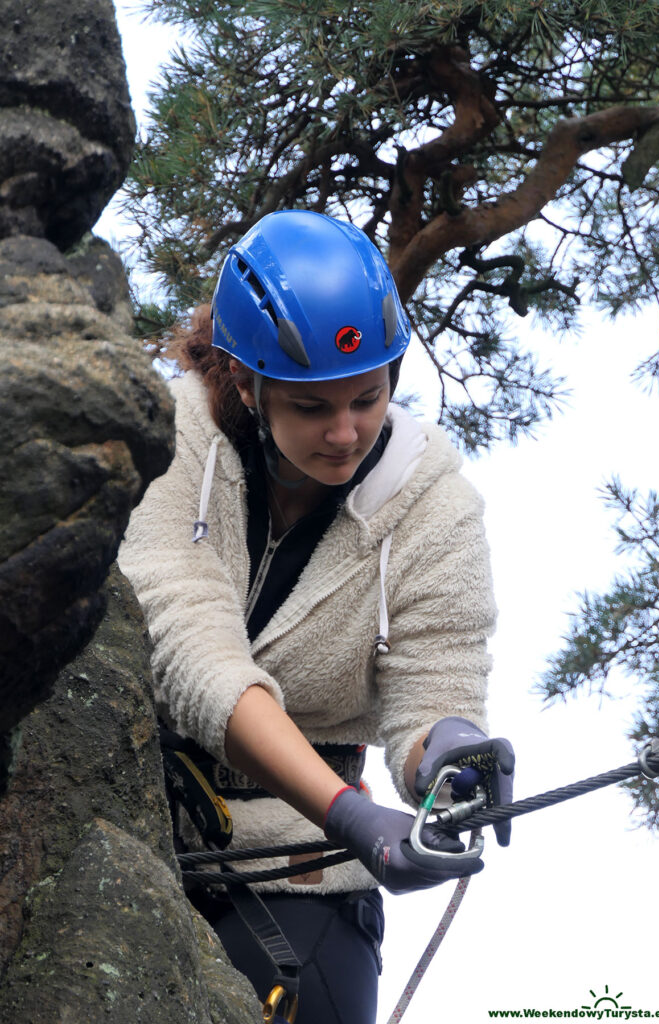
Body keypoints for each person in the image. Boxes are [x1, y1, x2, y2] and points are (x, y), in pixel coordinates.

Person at [118, 210, 514, 1024]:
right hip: (126, 813)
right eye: (310, 408)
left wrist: (449, 751)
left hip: (305, 870)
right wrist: (348, 813)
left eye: (368, 398)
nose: (345, 433)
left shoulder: (435, 509)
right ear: (244, 380)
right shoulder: (167, 443)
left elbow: (434, 678)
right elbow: (188, 644)